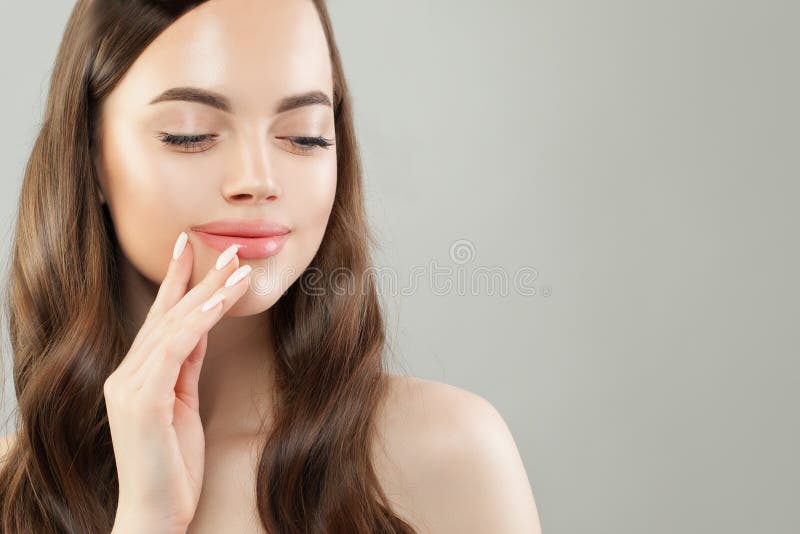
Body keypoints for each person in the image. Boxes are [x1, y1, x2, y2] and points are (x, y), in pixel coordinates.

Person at [0, 1, 542, 532]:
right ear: (90, 156)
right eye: (190, 134)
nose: (258, 179)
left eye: (304, 135)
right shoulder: (11, 492)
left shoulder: (448, 454)